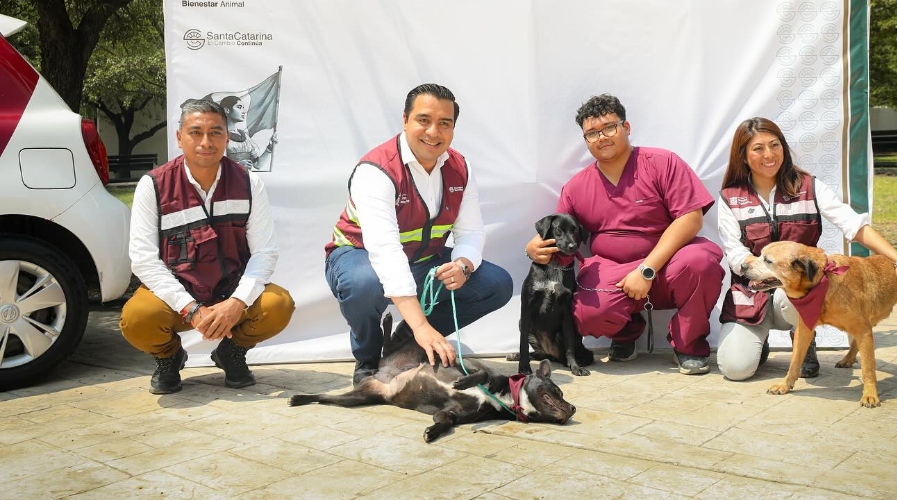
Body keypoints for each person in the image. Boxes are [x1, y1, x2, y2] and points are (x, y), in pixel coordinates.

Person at [325, 83, 514, 385]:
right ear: (405, 121)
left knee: (497, 283)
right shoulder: (376, 170)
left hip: (424, 259)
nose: (433, 132)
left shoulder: (461, 167)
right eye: (423, 120)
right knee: (364, 284)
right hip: (360, 257)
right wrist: (422, 324)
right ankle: (368, 358)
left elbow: (471, 232)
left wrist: (463, 265)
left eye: (444, 123)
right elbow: (385, 252)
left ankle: (404, 342)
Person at [525, 94, 725, 375]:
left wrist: (646, 269)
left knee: (700, 262)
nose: (602, 137)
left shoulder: (662, 162)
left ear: (626, 127)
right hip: (613, 270)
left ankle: (688, 345)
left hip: (669, 265)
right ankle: (625, 335)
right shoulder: (576, 187)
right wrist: (534, 247)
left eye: (609, 127)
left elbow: (690, 219)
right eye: (592, 133)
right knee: (585, 313)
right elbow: (559, 230)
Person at [716, 117, 897, 381]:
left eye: (775, 145)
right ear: (743, 155)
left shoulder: (809, 186)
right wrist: (765, 268)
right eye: (758, 148)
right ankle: (757, 341)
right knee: (736, 369)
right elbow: (734, 252)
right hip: (752, 292)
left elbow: (853, 225)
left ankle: (805, 341)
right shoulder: (730, 197)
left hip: (796, 292)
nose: (769, 154)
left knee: (793, 285)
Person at [120, 99, 295, 394]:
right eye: (195, 132)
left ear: (227, 138)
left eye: (215, 133)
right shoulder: (153, 185)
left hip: (229, 293)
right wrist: (191, 309)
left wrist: (237, 303)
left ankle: (231, 352)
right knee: (137, 318)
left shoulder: (249, 183)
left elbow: (264, 252)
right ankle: (169, 358)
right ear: (179, 137)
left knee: (278, 305)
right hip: (178, 296)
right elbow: (143, 259)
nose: (206, 142)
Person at [220, 94, 276, 170]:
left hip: (245, 179)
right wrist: (238, 165)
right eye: (239, 107)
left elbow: (257, 164)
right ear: (227, 110)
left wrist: (269, 147)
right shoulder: (219, 135)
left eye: (243, 108)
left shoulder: (244, 136)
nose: (243, 111)